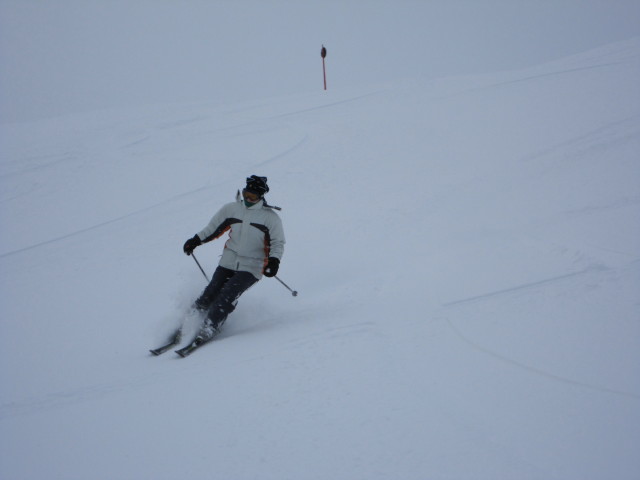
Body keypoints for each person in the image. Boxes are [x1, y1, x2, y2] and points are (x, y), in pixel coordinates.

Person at [182, 175, 285, 343]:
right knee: (209, 293)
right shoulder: (231, 209)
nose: (247, 199)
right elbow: (213, 228)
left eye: (252, 196)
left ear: (261, 196)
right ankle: (185, 324)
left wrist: (274, 261)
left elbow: (277, 243)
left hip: (252, 265)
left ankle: (210, 326)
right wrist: (196, 240)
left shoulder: (270, 218)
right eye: (246, 194)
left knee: (227, 294)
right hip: (228, 260)